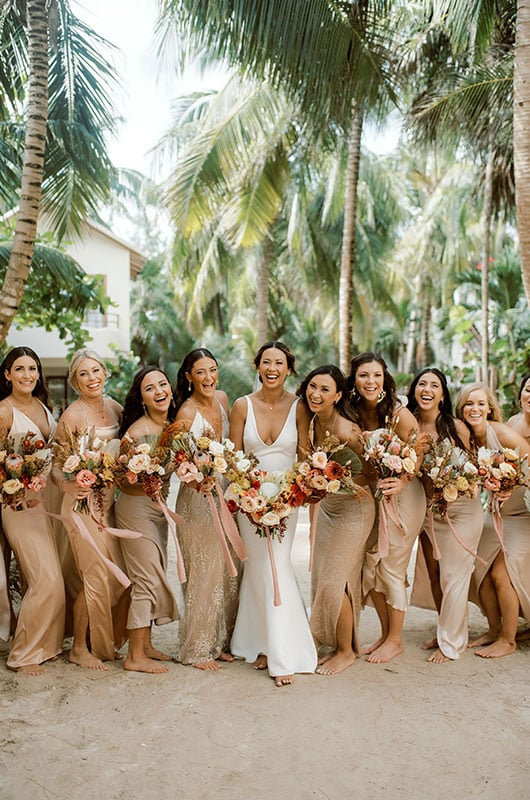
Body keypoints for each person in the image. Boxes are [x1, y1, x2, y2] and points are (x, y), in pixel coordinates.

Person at [230, 341, 317, 686]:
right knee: (258, 568)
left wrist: (295, 491)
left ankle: (284, 657)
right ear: (258, 366)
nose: (272, 368)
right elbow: (234, 458)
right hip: (248, 500)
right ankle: (259, 643)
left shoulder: (299, 407)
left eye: (278, 362)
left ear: (288, 368)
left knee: (277, 566)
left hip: (286, 501)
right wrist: (248, 494)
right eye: (266, 362)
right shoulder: (241, 406)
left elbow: (306, 455)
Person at [347, 352, 426, 664]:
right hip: (375, 494)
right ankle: (384, 633)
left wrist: (403, 480)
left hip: (405, 495)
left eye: (377, 375)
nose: (371, 381)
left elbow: (418, 447)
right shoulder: (353, 412)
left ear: (385, 379)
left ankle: (396, 640)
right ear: (354, 379)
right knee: (374, 564)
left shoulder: (397, 411)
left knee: (391, 564)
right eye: (364, 375)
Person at [52, 348, 128, 670]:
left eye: (95, 371)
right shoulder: (71, 415)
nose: (91, 378)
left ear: (105, 373)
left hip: (109, 505)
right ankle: (80, 648)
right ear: (75, 381)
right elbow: (56, 466)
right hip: (81, 506)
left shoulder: (116, 409)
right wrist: (68, 485)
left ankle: (107, 638)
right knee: (94, 574)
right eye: (83, 374)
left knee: (116, 575)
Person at [296, 365, 375, 675]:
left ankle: (346, 652)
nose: (316, 394)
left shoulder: (346, 430)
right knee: (324, 579)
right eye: (312, 387)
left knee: (335, 580)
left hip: (356, 508)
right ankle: (336, 640)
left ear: (338, 395)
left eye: (325, 389)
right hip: (329, 508)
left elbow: (371, 473)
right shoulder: (311, 419)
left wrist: (344, 484)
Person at [407, 368, 483, 662]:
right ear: (415, 389)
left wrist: (451, 487)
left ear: (442, 394)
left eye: (434, 385)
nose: (427, 389)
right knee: (436, 574)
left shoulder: (455, 427)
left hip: (460, 510)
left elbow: (473, 470)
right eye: (422, 384)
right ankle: (445, 630)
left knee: (454, 575)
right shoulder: (407, 425)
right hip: (426, 511)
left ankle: (452, 643)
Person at [173, 348, 239, 670]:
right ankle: (197, 648)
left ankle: (220, 640)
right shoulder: (185, 414)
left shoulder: (223, 399)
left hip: (225, 491)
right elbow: (179, 464)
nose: (209, 378)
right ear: (188, 377)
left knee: (227, 571)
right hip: (198, 497)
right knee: (204, 570)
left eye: (212, 369)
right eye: (200, 372)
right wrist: (201, 476)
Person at [0, 347, 65, 675]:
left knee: (39, 578)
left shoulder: (42, 406)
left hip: (47, 501)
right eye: (20, 369)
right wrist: (14, 480)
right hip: (17, 503)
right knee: (47, 578)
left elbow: (52, 455)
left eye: (33, 369)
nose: (28, 375)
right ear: (7, 374)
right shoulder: (4, 411)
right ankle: (23, 654)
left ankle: (45, 645)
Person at [456, 383, 530, 658]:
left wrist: (513, 483)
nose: (474, 409)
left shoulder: (502, 433)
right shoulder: (464, 436)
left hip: (522, 515)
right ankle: (494, 629)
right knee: (480, 567)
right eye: (469, 404)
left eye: (480, 404)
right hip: (497, 513)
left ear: (489, 408)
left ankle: (508, 640)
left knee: (501, 573)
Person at [115, 366, 178, 673]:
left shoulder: (173, 426)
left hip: (159, 510)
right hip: (135, 509)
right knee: (146, 579)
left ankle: (147, 645)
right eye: (150, 388)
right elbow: (120, 481)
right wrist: (145, 475)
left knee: (154, 572)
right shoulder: (137, 432)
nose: (159, 391)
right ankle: (134, 656)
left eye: (162, 384)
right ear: (142, 399)